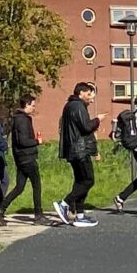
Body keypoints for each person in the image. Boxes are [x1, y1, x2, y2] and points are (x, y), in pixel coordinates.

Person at [0, 97, 44, 221]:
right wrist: (37, 141)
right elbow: (23, 141)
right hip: (27, 157)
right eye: (32, 105)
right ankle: (38, 215)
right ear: (26, 104)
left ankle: (0, 210)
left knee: (19, 187)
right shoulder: (23, 120)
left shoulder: (18, 119)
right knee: (36, 186)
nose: (34, 108)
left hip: (21, 158)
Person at [57, 82, 100, 227]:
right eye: (88, 94)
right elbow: (86, 127)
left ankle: (80, 215)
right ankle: (65, 203)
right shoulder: (78, 106)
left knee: (80, 181)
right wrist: (98, 120)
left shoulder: (70, 106)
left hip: (73, 149)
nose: (90, 98)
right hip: (79, 150)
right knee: (88, 180)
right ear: (81, 93)